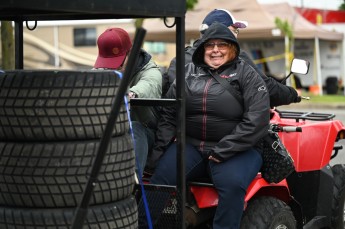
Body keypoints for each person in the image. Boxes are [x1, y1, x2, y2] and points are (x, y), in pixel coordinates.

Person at [149, 22, 270, 229]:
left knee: (233, 186)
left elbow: (257, 120)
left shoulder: (246, 74)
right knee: (159, 180)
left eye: (221, 45)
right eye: (209, 45)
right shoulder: (186, 73)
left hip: (238, 150)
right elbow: (169, 115)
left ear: (232, 47)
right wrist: (158, 153)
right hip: (192, 146)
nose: (215, 50)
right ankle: (146, 225)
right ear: (202, 48)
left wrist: (224, 149)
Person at [162, 9, 300, 106]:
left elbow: (171, 102)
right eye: (234, 31)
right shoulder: (237, 57)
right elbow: (266, 89)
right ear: (220, 31)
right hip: (230, 132)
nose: (236, 36)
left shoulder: (178, 59)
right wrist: (292, 94)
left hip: (184, 133)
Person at [93, 27, 162, 178]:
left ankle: (131, 182)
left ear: (131, 54)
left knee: (135, 128)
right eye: (107, 61)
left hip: (144, 132)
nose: (111, 67)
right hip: (111, 130)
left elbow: (149, 85)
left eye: (116, 61)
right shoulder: (103, 70)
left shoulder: (151, 71)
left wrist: (131, 94)